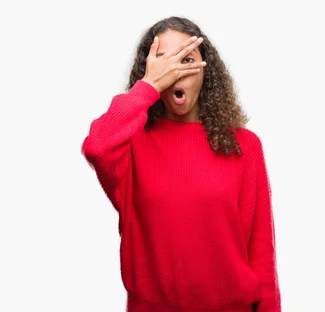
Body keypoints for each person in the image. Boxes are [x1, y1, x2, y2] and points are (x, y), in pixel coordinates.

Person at [81, 16, 281, 312]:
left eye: (186, 59)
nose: (175, 71)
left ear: (205, 71)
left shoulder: (245, 145)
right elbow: (97, 146)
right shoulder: (131, 145)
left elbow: (261, 252)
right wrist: (148, 86)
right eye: (164, 63)